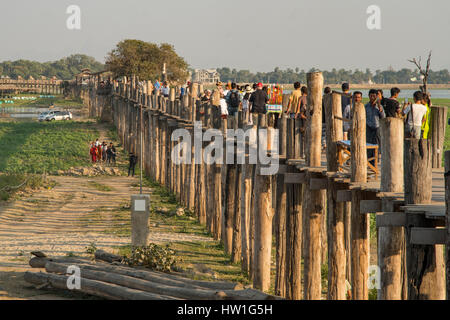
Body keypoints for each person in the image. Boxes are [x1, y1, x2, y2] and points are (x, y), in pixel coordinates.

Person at [365, 89, 385, 164]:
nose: (372, 98)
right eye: (371, 96)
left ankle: (375, 162)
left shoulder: (379, 107)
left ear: (376, 96)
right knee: (368, 145)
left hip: (377, 128)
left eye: (374, 96)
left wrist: (380, 108)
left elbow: (383, 117)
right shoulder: (366, 106)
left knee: (377, 146)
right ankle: (369, 162)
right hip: (368, 127)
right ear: (369, 96)